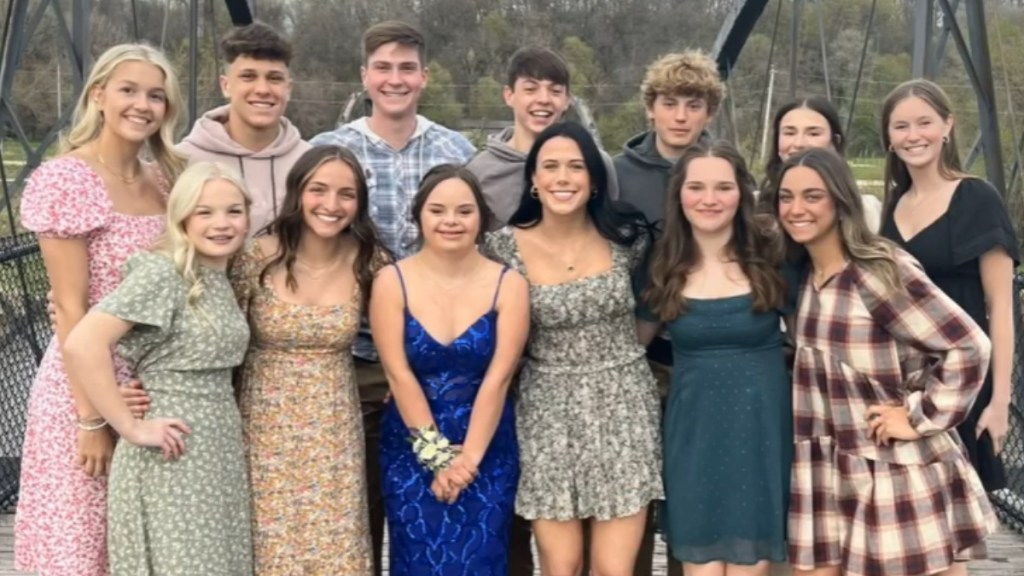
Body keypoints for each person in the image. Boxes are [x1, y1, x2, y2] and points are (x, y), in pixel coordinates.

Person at [775, 148, 996, 576]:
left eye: (812, 196)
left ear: (840, 200)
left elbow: (969, 345)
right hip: (825, 469)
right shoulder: (800, 279)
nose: (796, 209)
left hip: (891, 467)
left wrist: (916, 417)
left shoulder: (876, 271)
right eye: (786, 197)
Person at [310, 21, 476, 573]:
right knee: (355, 514)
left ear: (423, 78)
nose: (395, 79)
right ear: (364, 76)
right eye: (383, 67)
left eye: (407, 68)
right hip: (351, 362)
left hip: (435, 364)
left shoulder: (456, 149)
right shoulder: (331, 151)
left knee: (430, 509)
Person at [14, 43, 185, 576]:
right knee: (81, 544)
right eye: (129, 90)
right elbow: (69, 306)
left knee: (141, 544)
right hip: (85, 384)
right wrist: (92, 418)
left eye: (156, 95)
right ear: (98, 96)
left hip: (155, 382)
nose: (143, 105)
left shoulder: (167, 180)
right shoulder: (69, 179)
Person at [485, 122, 661, 576]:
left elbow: (654, 307)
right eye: (551, 167)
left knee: (613, 569)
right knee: (562, 565)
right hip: (547, 408)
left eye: (575, 167)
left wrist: (622, 358)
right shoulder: (501, 249)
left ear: (595, 180)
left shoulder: (628, 238)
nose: (563, 177)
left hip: (623, 404)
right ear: (533, 181)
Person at [62, 162, 253, 575]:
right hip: (172, 454)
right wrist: (129, 427)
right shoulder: (163, 273)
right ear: (182, 217)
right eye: (204, 212)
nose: (221, 223)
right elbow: (83, 343)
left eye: (233, 211)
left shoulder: (217, 274)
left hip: (216, 451)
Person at [636, 141, 791, 576]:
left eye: (723, 187)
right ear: (679, 194)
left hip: (760, 428)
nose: (709, 199)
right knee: (700, 566)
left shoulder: (771, 255)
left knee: (751, 565)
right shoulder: (662, 262)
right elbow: (631, 347)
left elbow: (813, 339)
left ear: (741, 193)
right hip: (694, 431)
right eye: (697, 187)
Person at [228, 145, 385, 574]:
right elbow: (219, 340)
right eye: (319, 190)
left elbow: (410, 330)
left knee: (335, 547)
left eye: (346, 194)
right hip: (263, 428)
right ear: (297, 191)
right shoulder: (254, 258)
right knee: (269, 546)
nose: (331, 205)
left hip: (333, 429)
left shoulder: (369, 262)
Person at [372, 165, 530, 575]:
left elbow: (499, 377)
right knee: (418, 559)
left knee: (481, 559)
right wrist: (438, 457)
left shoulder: (508, 284)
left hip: (487, 442)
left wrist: (468, 460)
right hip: (412, 444)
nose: (451, 221)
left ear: (481, 218)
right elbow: (398, 374)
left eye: (464, 211)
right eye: (438, 210)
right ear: (419, 216)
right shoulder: (391, 281)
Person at [878, 79, 1020, 494]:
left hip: (964, 382)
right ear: (888, 136)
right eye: (901, 126)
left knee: (955, 522)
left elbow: (1002, 306)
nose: (913, 135)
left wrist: (999, 402)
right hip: (908, 386)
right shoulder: (893, 206)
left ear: (947, 126)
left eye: (924, 122)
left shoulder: (976, 197)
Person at [613, 49, 724, 576]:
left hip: (700, 358)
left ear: (709, 112)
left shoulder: (723, 176)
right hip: (631, 353)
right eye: (670, 102)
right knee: (630, 494)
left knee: (692, 495)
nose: (681, 115)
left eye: (694, 104)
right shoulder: (616, 177)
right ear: (651, 108)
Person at [177, 21, 311, 236]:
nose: (262, 89)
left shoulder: (309, 163)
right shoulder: (181, 162)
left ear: (289, 88)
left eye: (274, 78)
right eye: (248, 76)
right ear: (225, 85)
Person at [467, 46, 620, 230]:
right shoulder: (479, 173)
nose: (544, 99)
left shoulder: (596, 163)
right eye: (531, 89)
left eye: (555, 91)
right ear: (509, 96)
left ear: (566, 101)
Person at [759, 96, 882, 231]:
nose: (799, 143)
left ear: (834, 142)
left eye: (813, 134)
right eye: (789, 133)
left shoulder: (867, 211)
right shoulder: (753, 206)